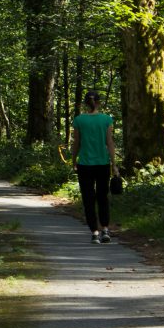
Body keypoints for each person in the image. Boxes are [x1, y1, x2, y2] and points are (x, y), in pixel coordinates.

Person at [71, 90, 120, 244]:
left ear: (85, 103)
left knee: (88, 198)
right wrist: (114, 164)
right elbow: (110, 143)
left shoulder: (79, 120)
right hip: (103, 164)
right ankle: (105, 229)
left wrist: (73, 160)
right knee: (102, 197)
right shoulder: (106, 119)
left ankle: (94, 232)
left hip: (84, 164)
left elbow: (77, 143)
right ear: (99, 102)